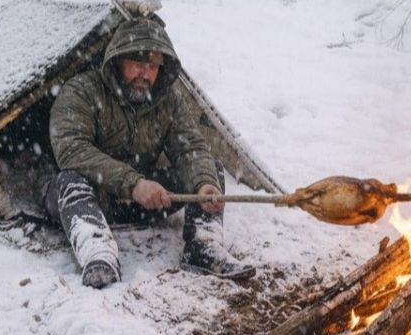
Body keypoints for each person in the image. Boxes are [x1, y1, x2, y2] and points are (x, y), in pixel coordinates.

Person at [45, 16, 255, 288]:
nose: (145, 73)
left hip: (142, 204)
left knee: (210, 168)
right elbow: (72, 150)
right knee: (69, 181)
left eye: (152, 65)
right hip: (92, 200)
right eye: (137, 63)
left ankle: (203, 246)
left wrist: (204, 185)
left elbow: (190, 147)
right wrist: (133, 184)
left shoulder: (168, 98)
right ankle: (98, 254)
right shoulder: (81, 91)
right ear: (117, 60)